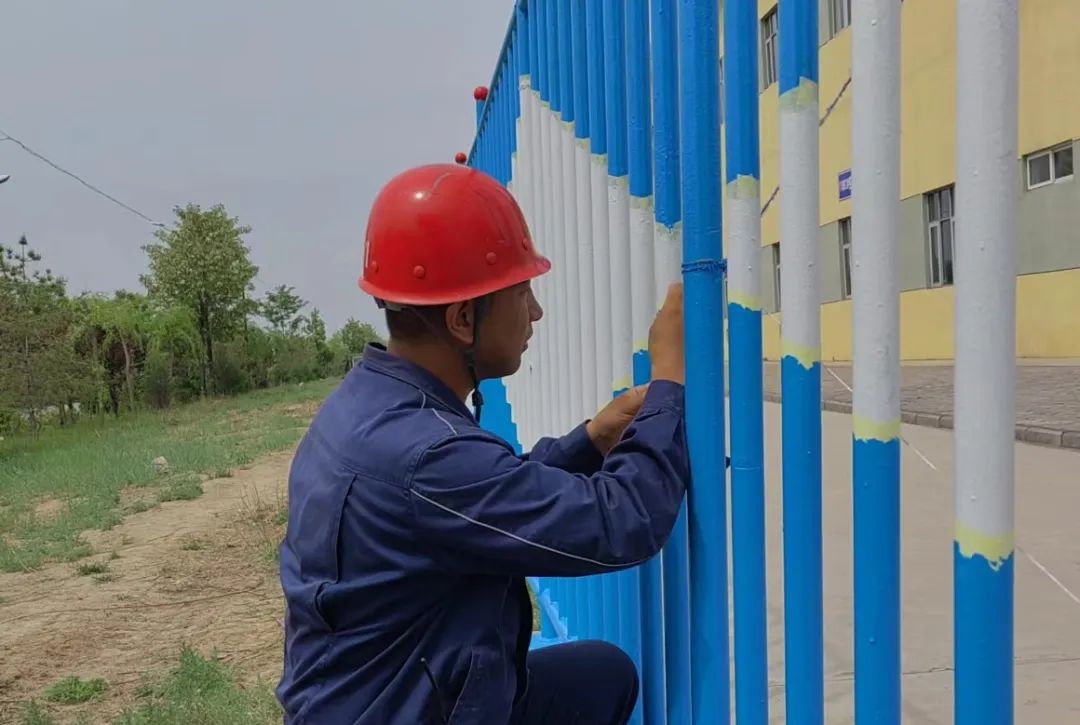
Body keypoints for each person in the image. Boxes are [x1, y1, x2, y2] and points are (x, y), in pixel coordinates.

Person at [277, 163, 690, 724]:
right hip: (401, 710)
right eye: (523, 293)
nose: (536, 312)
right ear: (464, 318)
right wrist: (671, 381)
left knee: (600, 676)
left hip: (380, 695)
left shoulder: (371, 408)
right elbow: (624, 522)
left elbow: (480, 494)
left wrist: (591, 441)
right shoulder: (424, 456)